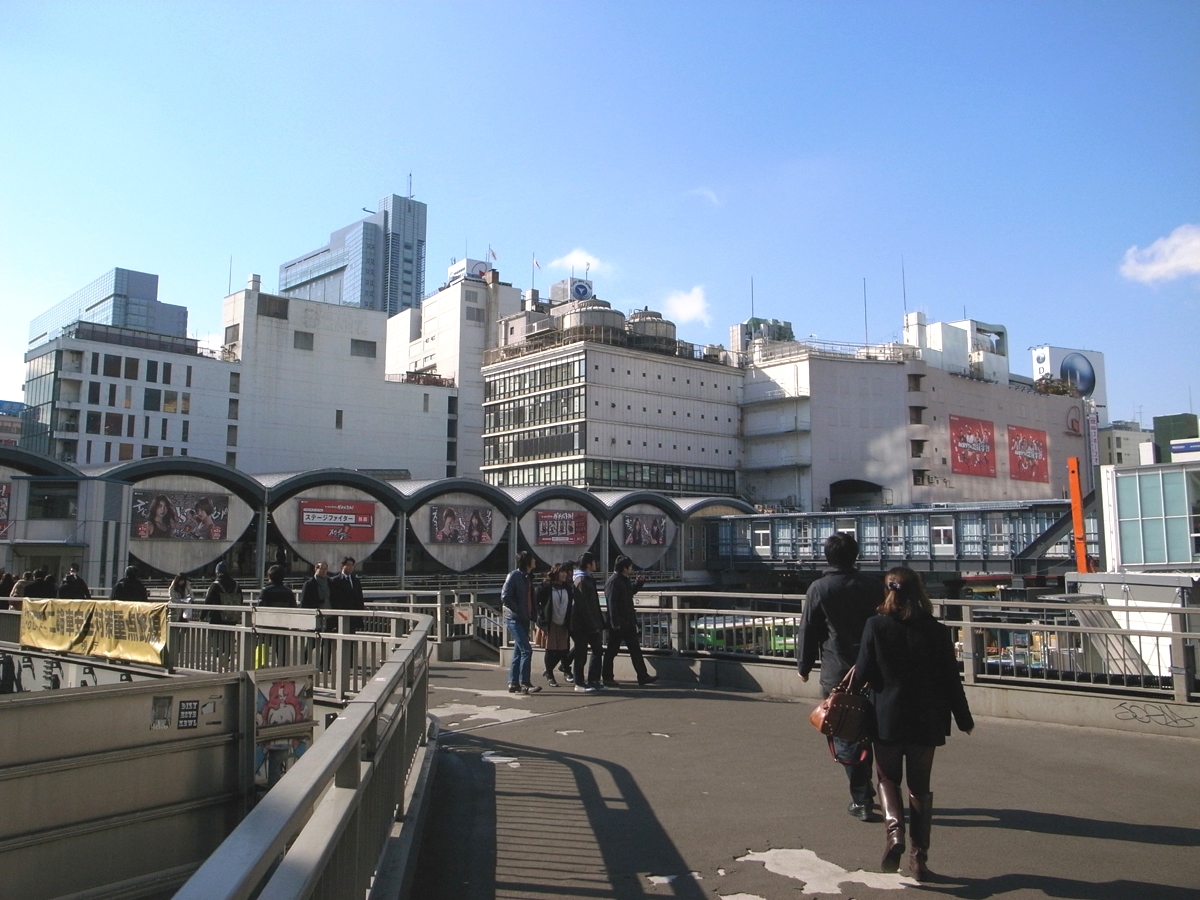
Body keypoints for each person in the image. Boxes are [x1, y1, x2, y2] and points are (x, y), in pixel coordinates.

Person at [853, 567, 974, 880]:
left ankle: (895, 834)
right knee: (920, 787)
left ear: (888, 590)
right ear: (919, 592)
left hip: (886, 717)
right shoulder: (936, 630)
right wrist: (964, 718)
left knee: (887, 778)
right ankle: (919, 860)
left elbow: (862, 673)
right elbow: (951, 680)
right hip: (927, 719)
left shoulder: (875, 625)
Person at [797, 532, 884, 822]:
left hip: (837, 671)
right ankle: (880, 791)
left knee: (847, 733)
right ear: (855, 555)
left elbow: (809, 629)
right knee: (874, 732)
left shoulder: (820, 588)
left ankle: (861, 799)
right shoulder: (874, 584)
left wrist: (804, 665)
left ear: (827, 557)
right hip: (875, 669)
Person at [602, 556, 656, 687]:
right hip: (619, 623)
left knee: (635, 649)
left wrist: (638, 584)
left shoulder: (623, 580)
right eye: (630, 567)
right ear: (624, 568)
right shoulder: (613, 582)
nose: (632, 569)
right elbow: (611, 604)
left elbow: (629, 593)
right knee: (612, 650)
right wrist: (615, 623)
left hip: (628, 621)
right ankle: (607, 677)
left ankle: (642, 675)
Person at [501, 550, 540, 694]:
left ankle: (513, 682)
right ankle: (525, 683)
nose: (535, 561)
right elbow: (505, 597)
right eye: (532, 559)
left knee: (519, 651)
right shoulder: (514, 576)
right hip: (514, 618)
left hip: (524, 618)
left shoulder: (528, 577)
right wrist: (518, 610)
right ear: (527, 562)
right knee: (526, 650)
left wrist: (533, 614)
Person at [570, 552, 606, 692]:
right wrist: (593, 624)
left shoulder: (588, 579)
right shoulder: (581, 580)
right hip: (581, 624)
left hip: (591, 622)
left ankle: (594, 680)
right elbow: (583, 606)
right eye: (594, 562)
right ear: (588, 564)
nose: (596, 564)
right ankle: (579, 683)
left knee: (597, 650)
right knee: (581, 653)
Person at [536, 563, 573, 687]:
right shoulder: (547, 586)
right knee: (550, 649)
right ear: (556, 573)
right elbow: (537, 600)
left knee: (563, 649)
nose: (564, 575)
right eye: (562, 572)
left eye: (565, 572)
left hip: (563, 622)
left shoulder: (567, 587)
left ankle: (558, 670)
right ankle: (550, 674)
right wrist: (541, 615)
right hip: (551, 622)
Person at [328, 556, 365, 633]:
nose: (350, 567)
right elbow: (333, 599)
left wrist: (361, 613)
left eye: (352, 565)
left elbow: (359, 598)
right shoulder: (335, 581)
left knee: (352, 636)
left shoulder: (356, 581)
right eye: (348, 565)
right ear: (342, 566)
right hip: (340, 615)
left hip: (353, 615)